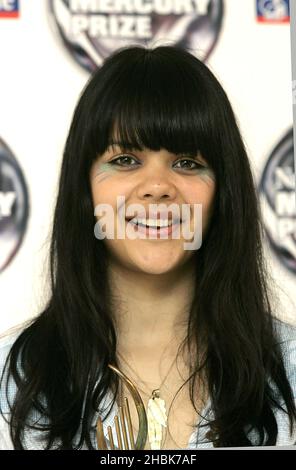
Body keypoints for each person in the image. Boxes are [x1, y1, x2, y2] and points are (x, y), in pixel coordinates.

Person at [0, 44, 296, 450]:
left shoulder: (291, 371)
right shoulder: (8, 379)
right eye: (124, 160)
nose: (158, 187)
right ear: (84, 188)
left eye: (187, 163)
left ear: (224, 194)